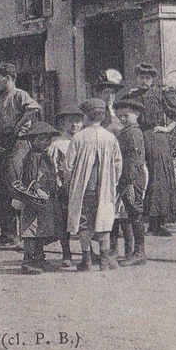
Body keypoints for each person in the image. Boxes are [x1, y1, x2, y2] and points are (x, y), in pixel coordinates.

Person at [120, 63, 176, 237]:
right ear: (136, 78)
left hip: (157, 140)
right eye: (141, 77)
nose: (144, 80)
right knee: (138, 176)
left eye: (148, 78)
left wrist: (167, 128)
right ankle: (136, 222)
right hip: (137, 137)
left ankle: (158, 224)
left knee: (159, 178)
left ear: (152, 79)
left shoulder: (158, 93)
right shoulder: (130, 96)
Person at [64, 97, 122, 272]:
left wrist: (69, 184)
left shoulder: (78, 138)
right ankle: (104, 260)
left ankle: (86, 259)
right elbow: (118, 164)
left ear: (86, 117)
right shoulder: (110, 138)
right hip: (103, 188)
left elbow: (68, 166)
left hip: (84, 189)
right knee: (103, 222)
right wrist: (114, 182)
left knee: (84, 223)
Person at [0, 62, 40, 246]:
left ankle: (23, 236)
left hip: (18, 143)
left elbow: (34, 108)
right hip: (3, 143)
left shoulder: (20, 95)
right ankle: (7, 234)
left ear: (8, 78)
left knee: (16, 186)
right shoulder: (0, 98)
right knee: (0, 187)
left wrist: (19, 125)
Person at [12, 122, 61, 274]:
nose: (46, 142)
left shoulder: (44, 155)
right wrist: (37, 190)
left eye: (48, 139)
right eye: (41, 139)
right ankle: (27, 261)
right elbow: (31, 178)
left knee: (41, 229)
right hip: (35, 198)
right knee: (31, 230)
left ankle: (39, 258)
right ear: (32, 140)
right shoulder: (34, 156)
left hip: (45, 198)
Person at [46, 107, 83, 269]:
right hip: (64, 189)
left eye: (78, 121)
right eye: (70, 121)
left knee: (84, 220)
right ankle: (66, 252)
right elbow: (52, 167)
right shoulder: (58, 143)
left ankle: (87, 251)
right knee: (64, 221)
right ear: (63, 123)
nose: (74, 125)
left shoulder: (84, 140)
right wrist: (57, 184)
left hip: (81, 187)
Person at [114, 96, 148, 266]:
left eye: (126, 115)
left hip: (132, 179)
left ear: (136, 114)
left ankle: (139, 252)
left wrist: (128, 182)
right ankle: (134, 251)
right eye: (120, 116)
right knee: (130, 213)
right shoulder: (127, 131)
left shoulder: (133, 132)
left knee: (135, 213)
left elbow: (134, 159)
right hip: (128, 178)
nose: (122, 119)